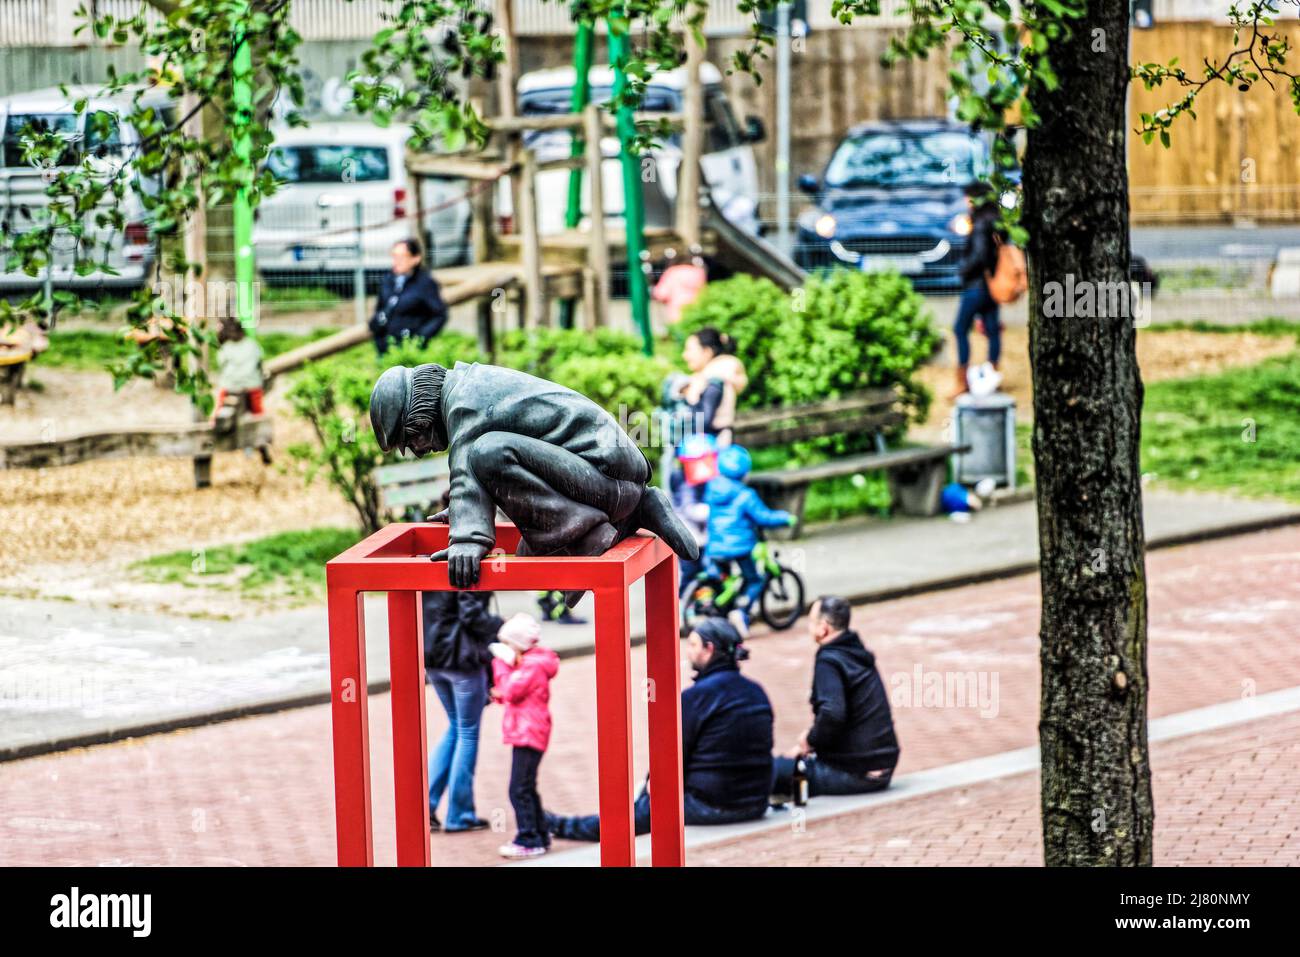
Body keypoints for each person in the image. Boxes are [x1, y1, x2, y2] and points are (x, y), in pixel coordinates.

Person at [368, 361, 699, 594]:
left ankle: (586, 537)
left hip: (602, 479)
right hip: (615, 480)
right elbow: (483, 479)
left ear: (420, 416)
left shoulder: (465, 404)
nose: (418, 451)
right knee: (486, 455)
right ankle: (639, 507)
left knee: (487, 453)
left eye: (411, 441)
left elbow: (469, 469)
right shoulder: (471, 383)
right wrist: (461, 510)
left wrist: (468, 540)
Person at [547, 616, 773, 842]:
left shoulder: (695, 697)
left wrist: (651, 786)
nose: (688, 651)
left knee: (632, 816)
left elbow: (673, 756)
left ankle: (560, 825)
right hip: (755, 802)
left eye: (693, 645)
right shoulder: (757, 692)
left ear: (709, 649)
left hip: (711, 804)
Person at [422, 489, 504, 833]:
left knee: (456, 727)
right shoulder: (467, 551)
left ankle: (425, 803)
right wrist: (505, 628)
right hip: (462, 659)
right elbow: (471, 614)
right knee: (468, 732)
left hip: (434, 657)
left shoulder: (433, 546)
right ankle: (459, 814)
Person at [772, 596, 900, 800]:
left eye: (811, 621)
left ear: (823, 628)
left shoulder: (828, 660)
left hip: (856, 771)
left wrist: (808, 741)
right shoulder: (856, 652)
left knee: (770, 772)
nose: (808, 627)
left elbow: (832, 714)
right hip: (882, 764)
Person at [702, 444, 795, 637]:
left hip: (716, 546)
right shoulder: (746, 495)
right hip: (740, 547)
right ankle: (741, 610)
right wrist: (785, 517)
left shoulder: (712, 489)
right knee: (754, 579)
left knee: (725, 580)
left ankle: (722, 612)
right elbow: (763, 517)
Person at [489, 613, 560, 859]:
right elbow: (516, 693)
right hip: (530, 730)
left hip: (528, 733)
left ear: (517, 645)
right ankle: (541, 832)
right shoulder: (533, 663)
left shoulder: (530, 665)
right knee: (527, 786)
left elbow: (512, 689)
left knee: (518, 789)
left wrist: (499, 666)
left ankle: (528, 838)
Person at [951, 182, 1006, 397]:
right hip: (993, 285)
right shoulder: (997, 221)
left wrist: (963, 270)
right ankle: (992, 374)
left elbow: (980, 255)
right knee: (992, 329)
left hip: (976, 286)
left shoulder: (981, 223)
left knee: (960, 328)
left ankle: (962, 380)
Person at [369, 238, 448, 355]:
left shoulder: (425, 283)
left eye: (402, 257)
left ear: (416, 259)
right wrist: (376, 328)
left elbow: (439, 315)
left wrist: (420, 339)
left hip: (410, 348)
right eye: (394, 256)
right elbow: (380, 308)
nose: (396, 261)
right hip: (386, 346)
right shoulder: (388, 280)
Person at [214, 316, 264, 416]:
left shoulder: (225, 347)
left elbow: (221, 363)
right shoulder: (252, 344)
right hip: (252, 384)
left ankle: (215, 422)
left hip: (230, 385)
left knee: (219, 409)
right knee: (258, 411)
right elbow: (260, 361)